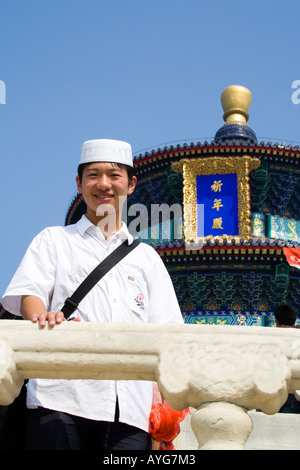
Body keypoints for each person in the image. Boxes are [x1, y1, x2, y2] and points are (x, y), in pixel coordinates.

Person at [1, 139, 184, 450]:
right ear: (79, 183)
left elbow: (169, 332)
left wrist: (169, 405)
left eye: (114, 175)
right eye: (93, 175)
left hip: (130, 412)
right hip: (60, 398)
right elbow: (29, 293)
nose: (104, 184)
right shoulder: (54, 240)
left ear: (131, 184)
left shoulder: (147, 258)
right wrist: (39, 314)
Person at [275, 304, 300, 414]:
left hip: (272, 390)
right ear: (294, 321)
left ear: (276, 321)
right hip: (295, 391)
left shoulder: (270, 337)